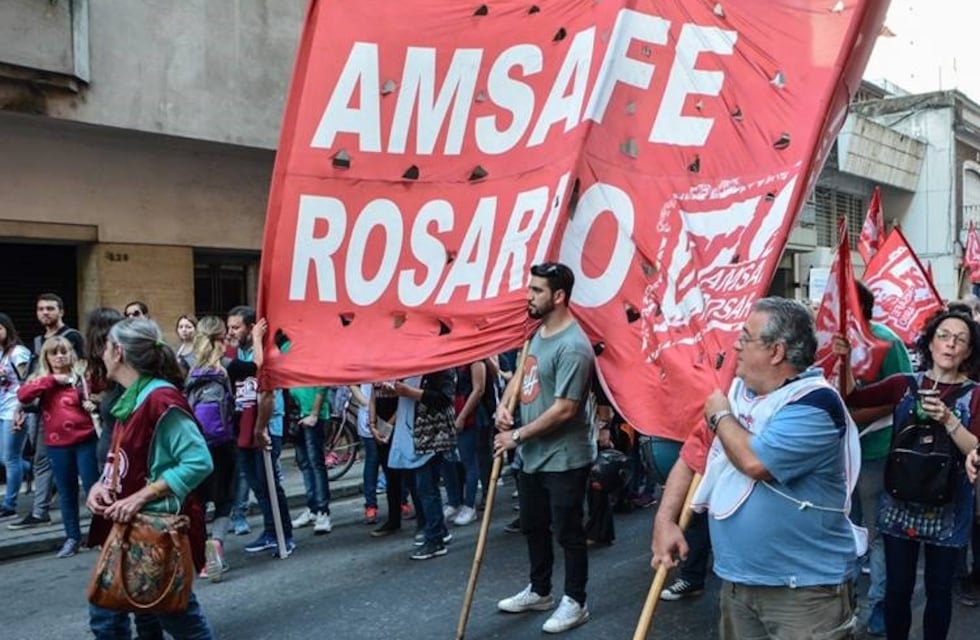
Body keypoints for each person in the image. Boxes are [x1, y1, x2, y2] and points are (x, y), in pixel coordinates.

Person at [653, 297, 863, 640]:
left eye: (745, 337)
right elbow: (693, 456)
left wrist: (720, 415)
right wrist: (665, 521)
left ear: (776, 351)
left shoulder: (816, 404)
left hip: (803, 593)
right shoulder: (737, 395)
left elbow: (755, 462)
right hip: (738, 585)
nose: (736, 344)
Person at [841, 308, 980, 640]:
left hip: (950, 507)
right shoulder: (904, 384)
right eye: (943, 336)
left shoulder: (976, 393)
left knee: (939, 590)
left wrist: (949, 419)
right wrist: (845, 361)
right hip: (900, 503)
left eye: (960, 340)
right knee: (898, 589)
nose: (950, 345)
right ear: (929, 343)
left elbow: (975, 447)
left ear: (969, 352)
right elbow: (852, 396)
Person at [85, 317, 214, 639]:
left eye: (105, 348)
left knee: (144, 615)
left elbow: (198, 461)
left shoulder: (160, 399)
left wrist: (139, 497)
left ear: (118, 352)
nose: (100, 354)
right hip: (134, 527)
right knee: (150, 616)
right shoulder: (134, 396)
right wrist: (100, 485)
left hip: (154, 526)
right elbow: (123, 457)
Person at [493, 261, 596, 634]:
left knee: (568, 532)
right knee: (533, 526)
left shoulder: (574, 346)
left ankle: (576, 601)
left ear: (559, 296)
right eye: (530, 288)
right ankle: (540, 591)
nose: (529, 296)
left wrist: (516, 436)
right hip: (533, 456)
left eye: (536, 291)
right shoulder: (537, 334)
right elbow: (523, 378)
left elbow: (565, 410)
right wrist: (505, 406)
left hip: (565, 458)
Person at [851, 282, 914, 635]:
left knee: (877, 536)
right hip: (836, 460)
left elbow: (904, 394)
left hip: (876, 454)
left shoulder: (886, 341)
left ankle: (878, 607)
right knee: (843, 533)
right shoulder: (824, 344)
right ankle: (841, 604)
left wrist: (851, 418)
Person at [17, 336, 99, 557]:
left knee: (94, 488)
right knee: (66, 492)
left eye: (64, 351)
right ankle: (72, 537)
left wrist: (93, 403)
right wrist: (53, 380)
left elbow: (97, 396)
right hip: (57, 444)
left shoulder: (82, 375)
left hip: (86, 440)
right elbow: (23, 395)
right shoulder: (41, 380)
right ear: (46, 356)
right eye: (54, 352)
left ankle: (101, 534)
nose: (60, 356)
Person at [8, 293, 84, 530]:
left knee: (78, 460)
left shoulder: (72, 337)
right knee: (42, 459)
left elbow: (81, 372)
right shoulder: (39, 342)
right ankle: (41, 509)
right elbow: (32, 378)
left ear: (61, 311)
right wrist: (21, 408)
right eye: (41, 309)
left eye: (50, 308)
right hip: (42, 409)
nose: (45, 313)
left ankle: (44, 510)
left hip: (72, 411)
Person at [227, 309, 294, 556]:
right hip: (244, 428)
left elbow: (263, 376)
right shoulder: (238, 353)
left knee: (269, 485)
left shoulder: (266, 349)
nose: (231, 332)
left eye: (236, 327)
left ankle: (284, 534)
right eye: (229, 327)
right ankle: (270, 531)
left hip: (267, 427)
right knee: (258, 485)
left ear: (251, 327)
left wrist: (258, 338)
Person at [184, 316, 237, 582]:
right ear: (219, 339)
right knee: (225, 498)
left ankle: (202, 562)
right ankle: (216, 544)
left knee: (199, 501)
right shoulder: (228, 367)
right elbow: (259, 367)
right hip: (224, 445)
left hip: (195, 446)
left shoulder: (188, 367)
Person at [384, 371, 457, 560]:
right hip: (415, 436)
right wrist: (397, 391)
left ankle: (434, 540)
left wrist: (410, 392)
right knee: (424, 488)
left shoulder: (439, 366)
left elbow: (444, 398)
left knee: (427, 489)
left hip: (430, 436)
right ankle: (438, 531)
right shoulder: (412, 365)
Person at [287, 383, 333, 535]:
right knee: (306, 464)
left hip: (313, 415)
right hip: (298, 413)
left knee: (315, 464)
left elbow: (322, 385)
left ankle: (322, 510)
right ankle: (313, 507)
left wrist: (314, 413)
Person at [0, 313, 31, 518]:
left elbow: (27, 382)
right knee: (5, 458)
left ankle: (9, 505)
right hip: (2, 410)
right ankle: (46, 477)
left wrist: (23, 410)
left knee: (10, 458)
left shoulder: (18, 353)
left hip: (15, 410)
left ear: (7, 329)